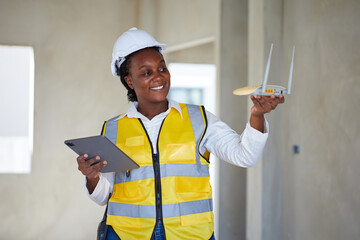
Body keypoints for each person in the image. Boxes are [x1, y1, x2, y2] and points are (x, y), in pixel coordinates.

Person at [76, 27, 284, 240]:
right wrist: (91, 176)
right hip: (126, 235)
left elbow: (245, 156)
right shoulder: (113, 129)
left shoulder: (199, 119)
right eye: (146, 73)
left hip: (189, 235)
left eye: (162, 68)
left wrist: (257, 115)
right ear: (129, 81)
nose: (158, 77)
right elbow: (103, 196)